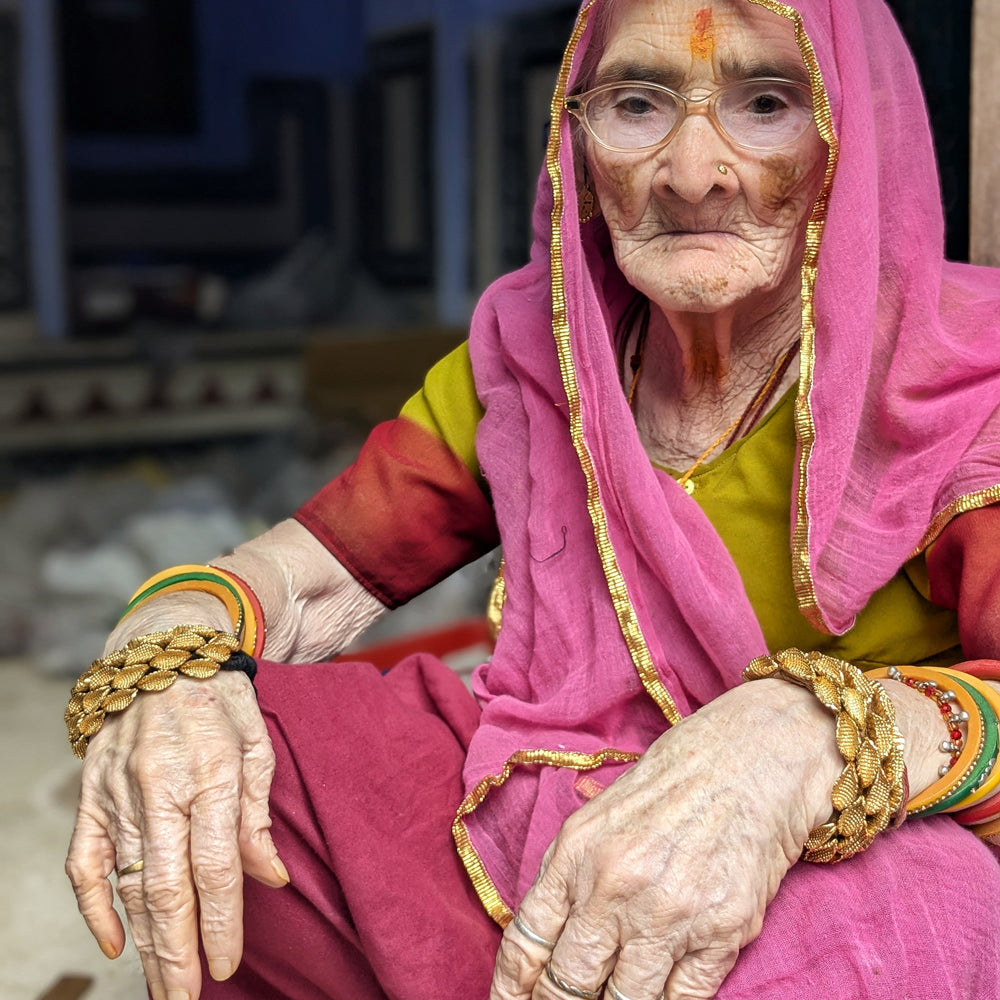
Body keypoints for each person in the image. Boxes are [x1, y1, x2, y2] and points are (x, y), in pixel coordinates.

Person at [65, 0, 1000, 997]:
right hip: (547, 791)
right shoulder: (538, 344)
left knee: (905, 905)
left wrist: (804, 738)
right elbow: (300, 582)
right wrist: (163, 665)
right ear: (575, 133)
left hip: (810, 854)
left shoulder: (957, 377)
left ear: (851, 131)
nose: (693, 173)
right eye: (637, 102)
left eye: (765, 102)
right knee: (243, 771)